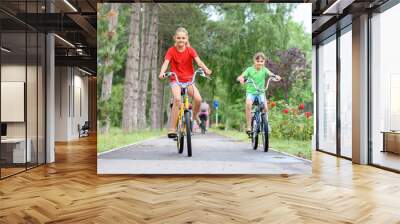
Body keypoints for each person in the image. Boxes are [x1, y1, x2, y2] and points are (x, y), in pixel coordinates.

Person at [159, 27, 212, 138]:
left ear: (187, 39)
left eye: (183, 38)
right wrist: (162, 72)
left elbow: (199, 62)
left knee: (198, 99)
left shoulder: (190, 50)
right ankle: (172, 128)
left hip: (188, 80)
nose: (181, 40)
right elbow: (165, 63)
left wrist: (206, 69)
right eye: (178, 38)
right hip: (176, 80)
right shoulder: (171, 51)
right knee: (177, 100)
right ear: (175, 38)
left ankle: (193, 117)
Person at [236, 52, 281, 134]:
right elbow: (242, 75)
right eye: (258, 61)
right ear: (254, 61)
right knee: (248, 105)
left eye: (262, 61)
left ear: (264, 62)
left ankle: (266, 124)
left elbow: (271, 74)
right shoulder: (249, 69)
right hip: (251, 92)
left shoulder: (264, 70)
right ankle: (249, 126)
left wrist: (276, 76)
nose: (260, 63)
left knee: (265, 108)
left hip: (261, 92)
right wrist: (241, 78)